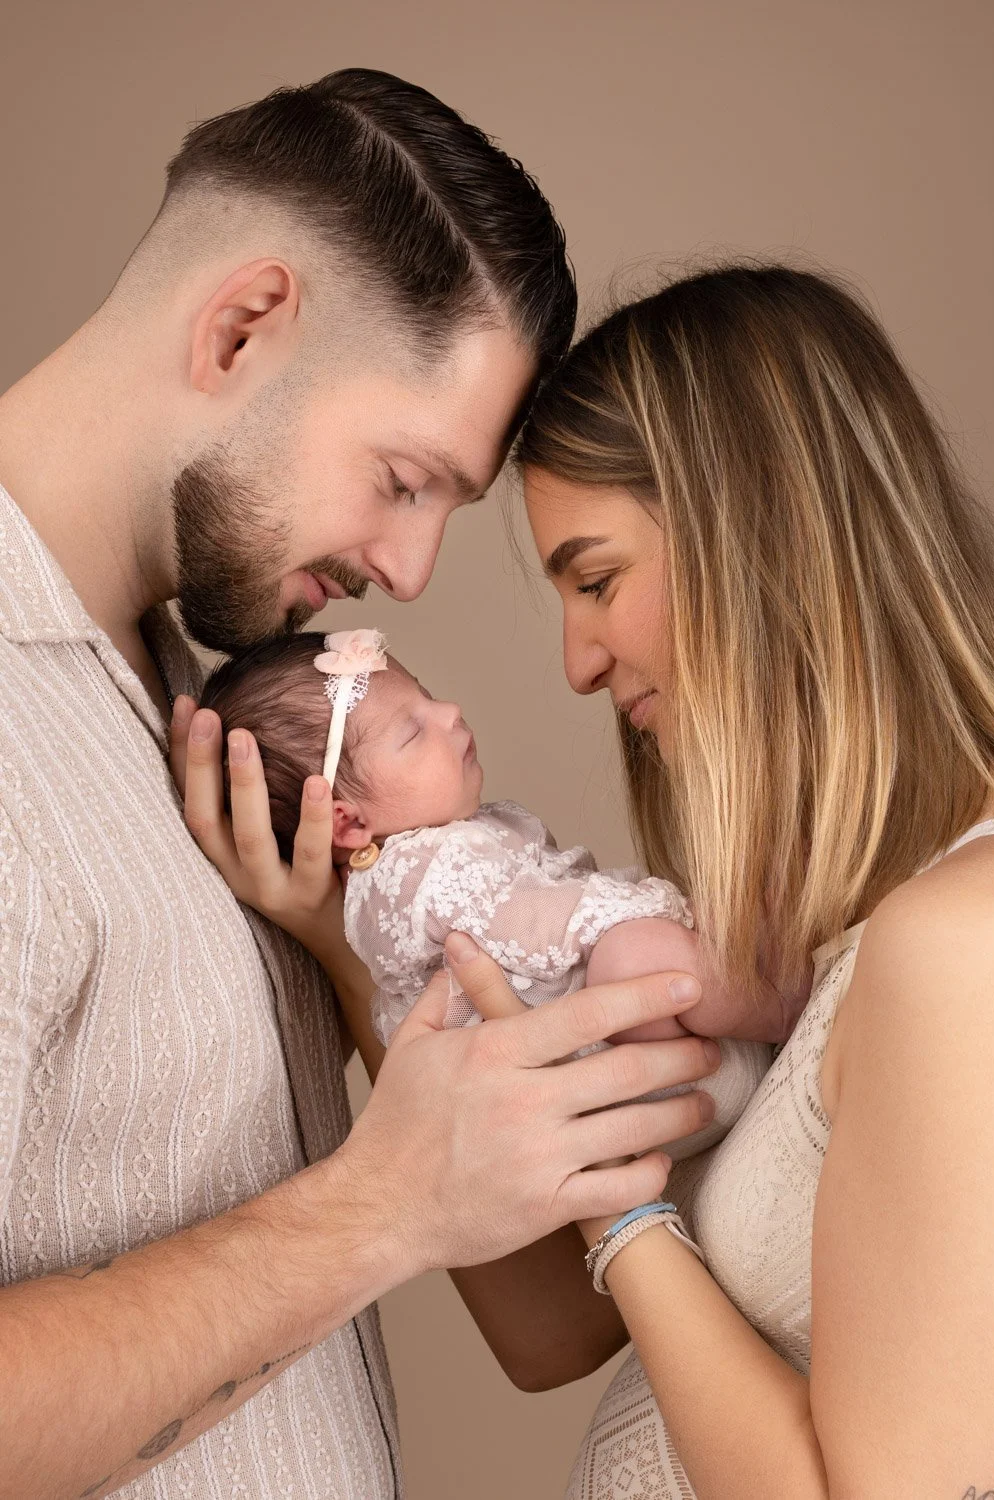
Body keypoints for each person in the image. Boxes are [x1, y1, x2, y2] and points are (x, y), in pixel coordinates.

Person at [0, 71, 722, 1499]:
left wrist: (343, 953)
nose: (410, 569)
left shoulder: (214, 711)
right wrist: (379, 1208)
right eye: (403, 479)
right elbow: (392, 1214)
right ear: (243, 326)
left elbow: (550, 1326)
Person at [504, 262, 994, 1496]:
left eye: (597, 581)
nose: (577, 661)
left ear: (755, 536)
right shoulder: (838, 934)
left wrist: (620, 1217)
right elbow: (552, 1336)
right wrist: (360, 929)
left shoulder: (960, 943)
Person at [195, 625, 783, 1151]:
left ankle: (771, 977)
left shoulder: (441, 841)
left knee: (722, 907)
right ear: (348, 824)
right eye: (412, 732)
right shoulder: (410, 878)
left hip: (649, 1055)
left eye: (428, 695)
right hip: (620, 1077)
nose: (449, 712)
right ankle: (790, 1000)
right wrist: (666, 907)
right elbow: (536, 924)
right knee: (637, 952)